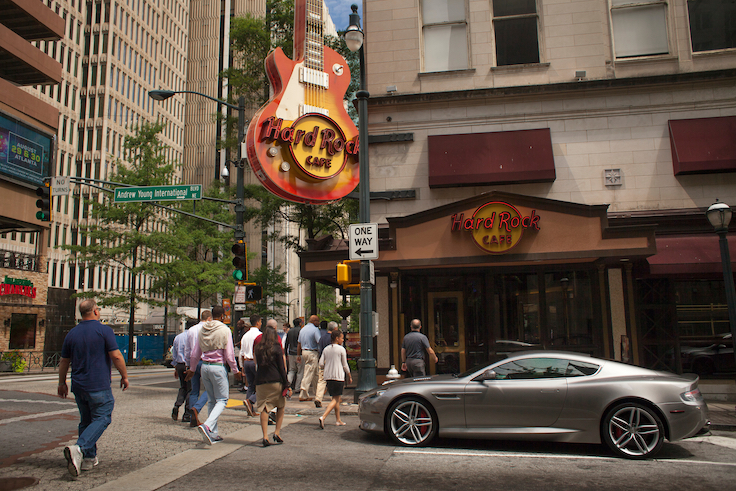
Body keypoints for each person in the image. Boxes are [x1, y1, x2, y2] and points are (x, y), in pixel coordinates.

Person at [57, 299, 129, 479]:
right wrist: (124, 376)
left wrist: (61, 382)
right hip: (98, 384)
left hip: (78, 385)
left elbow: (64, 361)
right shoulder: (104, 330)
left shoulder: (72, 334)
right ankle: (79, 448)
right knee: (103, 417)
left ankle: (88, 458)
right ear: (95, 311)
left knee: (86, 420)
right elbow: (116, 355)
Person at [188, 305, 240, 444]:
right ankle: (207, 425)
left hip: (205, 366)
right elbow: (229, 354)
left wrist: (192, 369)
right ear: (223, 316)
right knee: (222, 400)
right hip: (218, 367)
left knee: (211, 400)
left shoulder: (203, 329)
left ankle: (213, 433)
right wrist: (235, 371)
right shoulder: (225, 329)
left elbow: (195, 353)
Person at [254, 324, 291, 446]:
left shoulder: (258, 348)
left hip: (261, 381)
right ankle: (277, 432)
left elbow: (257, 364)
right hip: (276, 380)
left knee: (264, 408)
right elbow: (281, 367)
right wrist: (287, 384)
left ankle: (265, 436)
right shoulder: (277, 348)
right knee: (280, 406)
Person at [318, 329, 351, 428]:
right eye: (342, 338)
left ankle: (338, 419)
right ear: (337, 338)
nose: (343, 340)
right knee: (336, 399)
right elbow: (345, 365)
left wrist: (327, 366)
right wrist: (349, 375)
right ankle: (323, 417)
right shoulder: (341, 349)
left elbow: (320, 363)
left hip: (328, 376)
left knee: (335, 398)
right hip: (338, 376)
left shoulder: (326, 349)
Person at [185, 311, 211, 427]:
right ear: (209, 318)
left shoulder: (191, 330)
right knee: (210, 388)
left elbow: (187, 349)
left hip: (193, 362)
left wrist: (189, 364)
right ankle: (197, 408)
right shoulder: (209, 329)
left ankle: (193, 418)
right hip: (205, 361)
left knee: (194, 390)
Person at [240, 314, 262, 417]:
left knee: (250, 386)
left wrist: (242, 366)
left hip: (246, 361)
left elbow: (241, 352)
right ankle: (251, 401)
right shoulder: (259, 335)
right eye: (261, 322)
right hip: (254, 362)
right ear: (257, 323)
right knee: (261, 385)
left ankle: (250, 408)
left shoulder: (245, 335)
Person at [297, 315, 321, 401]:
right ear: (314, 321)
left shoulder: (302, 329)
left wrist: (298, 355)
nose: (318, 323)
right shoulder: (315, 330)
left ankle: (318, 391)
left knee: (315, 373)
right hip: (312, 352)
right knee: (309, 372)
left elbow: (299, 343)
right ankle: (303, 394)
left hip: (304, 352)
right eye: (318, 321)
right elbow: (319, 341)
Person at [314, 321, 338, 408]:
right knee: (335, 379)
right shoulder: (333, 338)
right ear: (335, 329)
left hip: (322, 360)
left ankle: (318, 398)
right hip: (331, 361)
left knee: (321, 380)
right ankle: (336, 397)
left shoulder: (322, 338)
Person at [171, 324, 191, 422]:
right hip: (188, 365)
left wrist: (175, 367)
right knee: (190, 389)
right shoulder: (192, 337)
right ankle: (187, 413)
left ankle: (177, 405)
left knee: (183, 386)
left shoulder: (178, 337)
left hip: (179, 364)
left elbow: (174, 353)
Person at [285, 318, 303, 391]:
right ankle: (297, 388)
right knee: (300, 371)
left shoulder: (290, 331)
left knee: (291, 370)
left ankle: (287, 385)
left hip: (291, 352)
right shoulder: (301, 331)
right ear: (299, 323)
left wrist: (286, 353)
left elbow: (287, 343)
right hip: (299, 353)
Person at [233, 319, 247, 388]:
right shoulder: (239, 332)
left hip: (240, 350)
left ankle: (242, 383)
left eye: (239, 324)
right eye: (237, 324)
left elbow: (242, 341)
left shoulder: (243, 332)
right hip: (238, 350)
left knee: (241, 365)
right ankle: (240, 382)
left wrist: (236, 344)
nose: (237, 326)